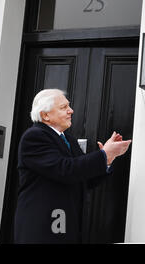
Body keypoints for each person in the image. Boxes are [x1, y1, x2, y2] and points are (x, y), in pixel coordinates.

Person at [14, 89, 132, 244]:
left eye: (68, 106)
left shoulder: (68, 139)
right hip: (43, 227)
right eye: (63, 108)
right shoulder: (34, 136)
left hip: (68, 227)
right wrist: (104, 155)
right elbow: (65, 170)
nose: (71, 111)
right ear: (45, 115)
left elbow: (84, 178)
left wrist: (108, 159)